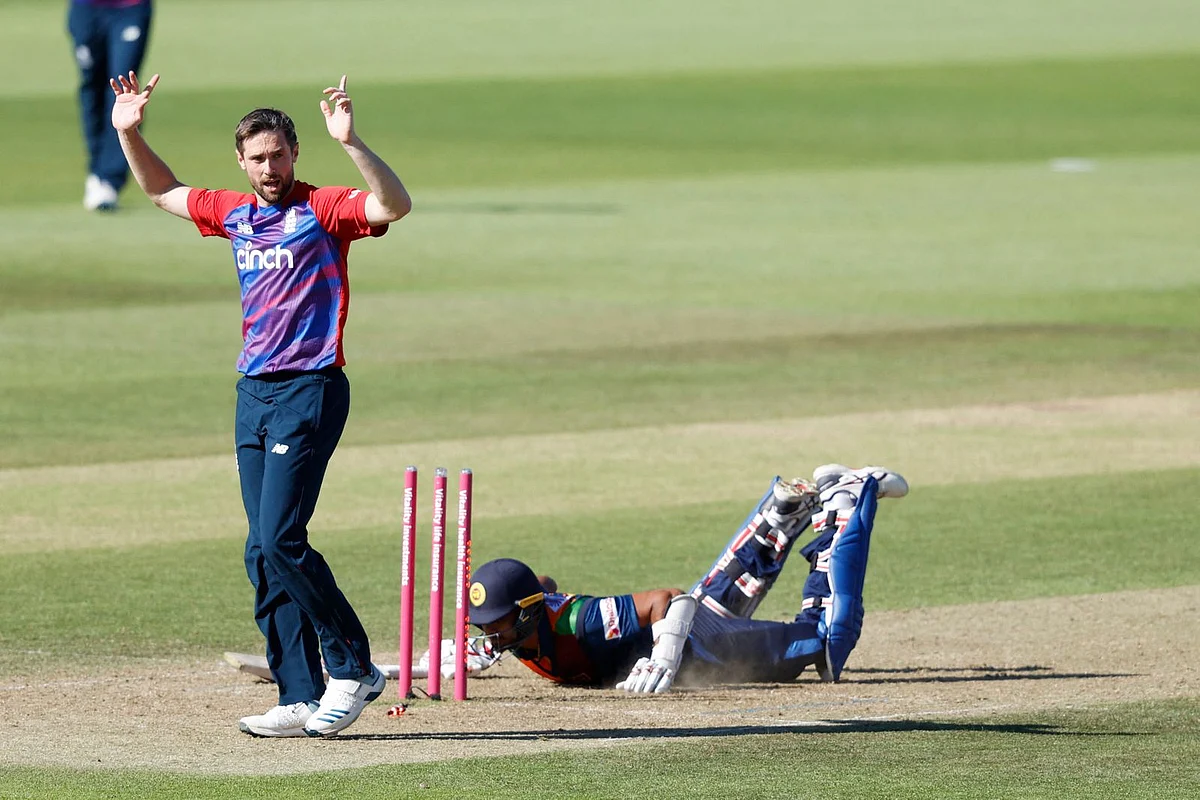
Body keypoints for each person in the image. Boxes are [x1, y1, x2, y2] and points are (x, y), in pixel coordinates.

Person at [110, 71, 413, 736]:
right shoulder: (235, 213)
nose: (269, 168)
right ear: (241, 162)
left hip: (311, 386)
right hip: (253, 392)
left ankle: (355, 667)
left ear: (295, 153)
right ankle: (299, 692)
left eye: (279, 155)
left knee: (281, 537)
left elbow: (394, 205)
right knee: (261, 549)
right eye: (257, 158)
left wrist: (353, 142)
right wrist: (129, 132)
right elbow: (162, 191)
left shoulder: (323, 208)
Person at [467, 465, 909, 692]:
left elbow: (669, 599)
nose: (488, 633)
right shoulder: (526, 624)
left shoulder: (582, 621)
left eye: (496, 623)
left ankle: (849, 496)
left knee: (826, 643)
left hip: (703, 649)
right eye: (484, 624)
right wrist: (468, 648)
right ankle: (782, 511)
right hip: (695, 632)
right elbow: (542, 583)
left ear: (526, 615)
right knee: (714, 602)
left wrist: (663, 660)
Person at [68, 0, 154, 210]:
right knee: (92, 85)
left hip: (130, 7)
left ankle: (109, 178)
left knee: (123, 88)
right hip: (86, 9)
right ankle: (96, 170)